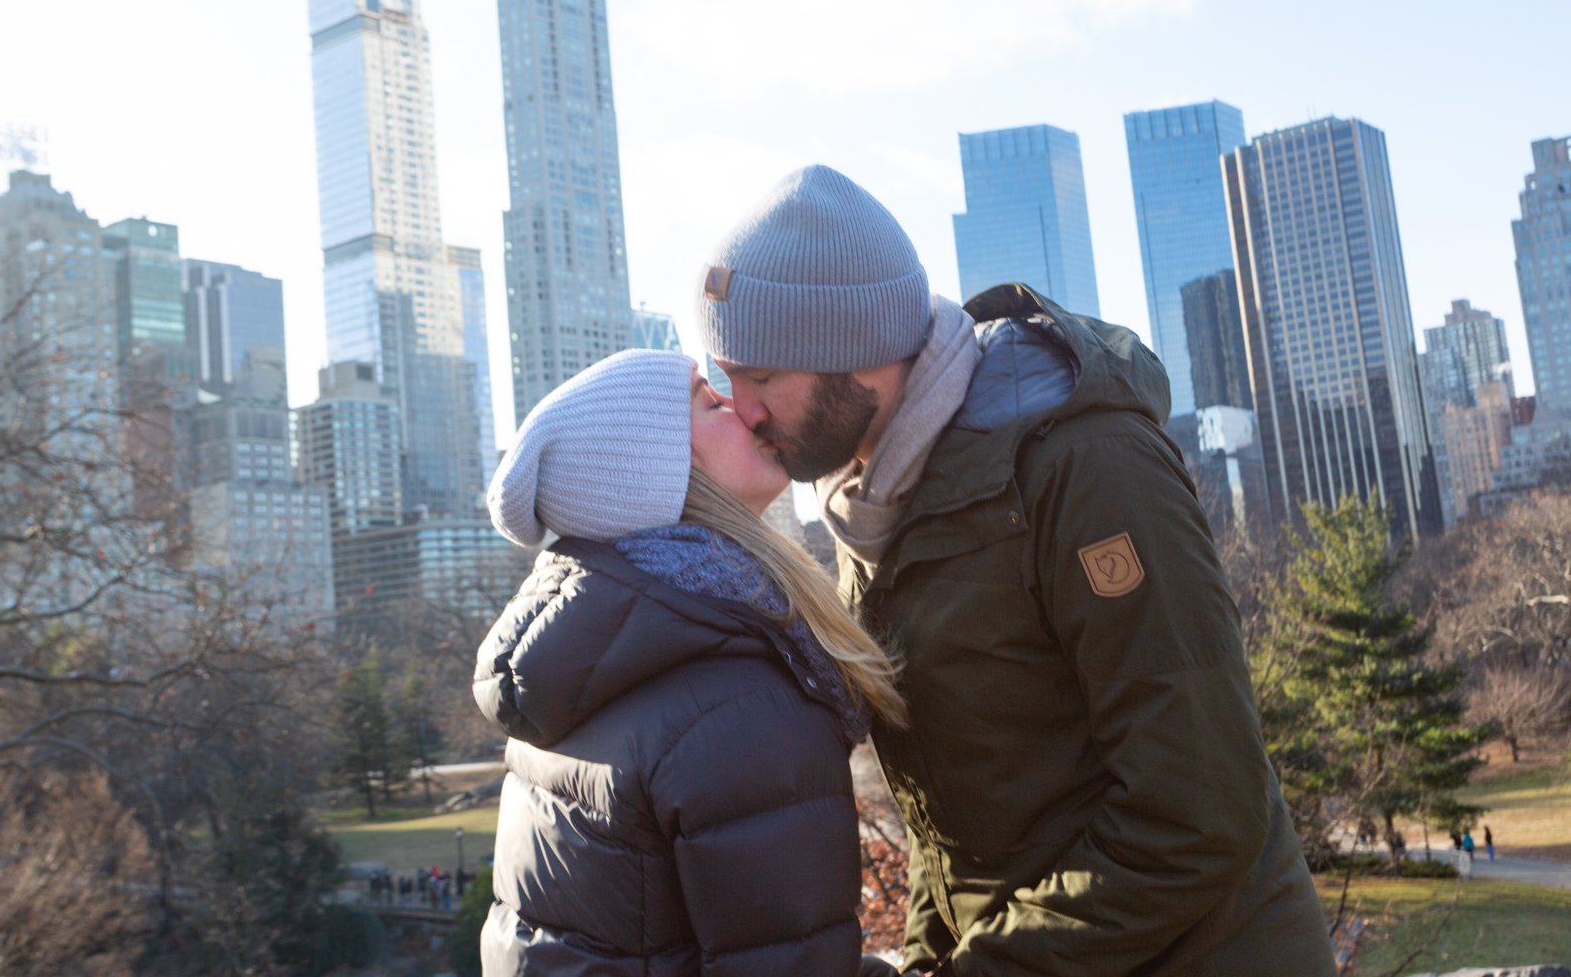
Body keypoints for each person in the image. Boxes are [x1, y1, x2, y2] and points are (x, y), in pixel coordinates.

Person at [694, 164, 1337, 976]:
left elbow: (1198, 811)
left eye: (760, 376)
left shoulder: (1083, 465)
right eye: (725, 376)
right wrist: (931, 957)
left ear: (853, 350)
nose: (740, 407)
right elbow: (950, 829)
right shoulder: (873, 507)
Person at [474, 348, 908, 976]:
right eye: (711, 401)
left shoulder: (586, 663)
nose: (745, 406)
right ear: (663, 473)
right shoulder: (735, 702)